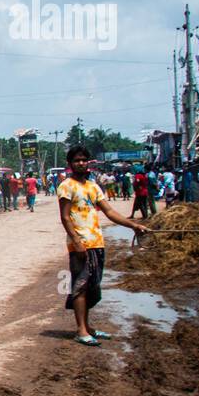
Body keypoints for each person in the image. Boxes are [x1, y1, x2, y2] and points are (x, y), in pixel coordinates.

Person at [57, 146, 149, 346]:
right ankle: (81, 331)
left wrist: (134, 225)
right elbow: (65, 217)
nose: (81, 163)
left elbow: (109, 212)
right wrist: (76, 241)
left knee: (91, 287)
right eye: (77, 160)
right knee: (80, 287)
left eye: (84, 160)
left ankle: (88, 327)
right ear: (70, 164)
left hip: (96, 242)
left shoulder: (93, 187)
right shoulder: (66, 186)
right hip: (80, 245)